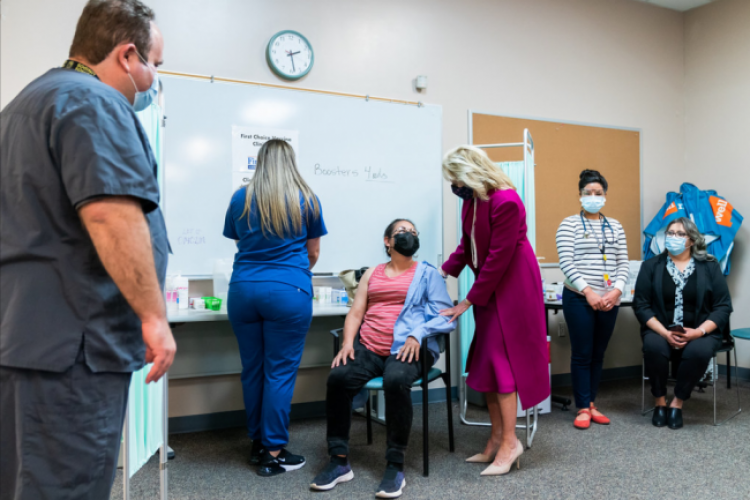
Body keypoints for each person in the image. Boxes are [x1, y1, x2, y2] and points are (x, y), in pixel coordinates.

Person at [0, 1, 175, 499]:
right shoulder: (94, 103)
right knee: (66, 484)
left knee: (24, 481)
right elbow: (110, 213)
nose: (154, 79)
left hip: (24, 340)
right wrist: (153, 316)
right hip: (73, 349)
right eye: (154, 65)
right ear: (126, 55)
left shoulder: (23, 106)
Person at [310, 219, 454, 499]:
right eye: (402, 232)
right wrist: (348, 343)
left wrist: (418, 334)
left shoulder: (428, 274)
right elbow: (356, 312)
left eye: (413, 232)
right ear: (387, 241)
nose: (409, 236)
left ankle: (395, 465)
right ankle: (339, 461)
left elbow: (445, 315)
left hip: (411, 348)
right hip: (370, 346)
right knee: (339, 376)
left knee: (396, 379)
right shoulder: (372, 273)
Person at [440, 146, 549, 476]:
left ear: (471, 172)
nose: (454, 186)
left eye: (456, 178)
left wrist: (468, 300)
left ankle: (510, 443)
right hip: (490, 288)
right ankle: (496, 437)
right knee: (487, 362)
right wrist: (440, 272)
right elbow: (466, 247)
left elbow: (498, 257)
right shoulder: (472, 202)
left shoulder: (506, 201)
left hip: (512, 288)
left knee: (503, 367)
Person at [223, 139, 327, 477]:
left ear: (260, 161)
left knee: (252, 369)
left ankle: (257, 445)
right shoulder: (306, 198)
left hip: (242, 289)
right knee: (279, 372)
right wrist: (291, 275)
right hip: (288, 290)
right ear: (291, 162)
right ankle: (273, 452)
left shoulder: (241, 197)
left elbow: (240, 241)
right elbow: (313, 253)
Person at [634, 217, 732, 429]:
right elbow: (641, 305)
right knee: (653, 347)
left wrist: (698, 332)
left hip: (701, 330)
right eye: (670, 233)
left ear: (692, 240)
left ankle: (677, 402)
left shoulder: (710, 266)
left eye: (680, 234)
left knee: (698, 351)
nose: (674, 238)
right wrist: (664, 332)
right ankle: (660, 401)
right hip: (661, 329)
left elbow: (723, 306)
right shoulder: (651, 266)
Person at [555, 169, 629, 429]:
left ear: (605, 196)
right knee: (582, 353)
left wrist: (617, 290)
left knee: (599, 353)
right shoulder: (569, 224)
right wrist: (588, 291)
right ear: (580, 195)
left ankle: (592, 402)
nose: (593, 197)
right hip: (579, 297)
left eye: (598, 193)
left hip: (610, 299)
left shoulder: (615, 226)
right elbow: (567, 263)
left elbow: (623, 263)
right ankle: (582, 407)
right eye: (588, 193)